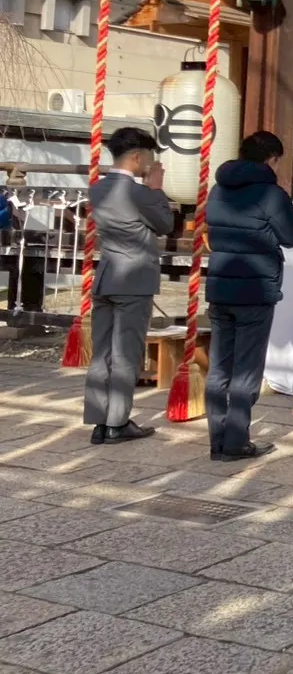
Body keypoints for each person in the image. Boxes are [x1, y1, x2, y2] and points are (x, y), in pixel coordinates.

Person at [204, 131, 293, 461]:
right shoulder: (270, 194)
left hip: (220, 286)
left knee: (219, 368)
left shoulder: (218, 189)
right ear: (272, 159)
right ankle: (236, 441)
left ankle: (217, 439)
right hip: (255, 288)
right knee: (246, 370)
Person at [85, 127, 175, 444]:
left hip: (107, 275)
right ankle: (117, 423)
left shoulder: (97, 189)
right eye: (148, 159)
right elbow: (165, 224)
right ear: (136, 157)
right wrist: (156, 188)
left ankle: (99, 421)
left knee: (103, 354)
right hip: (134, 279)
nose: (149, 165)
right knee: (126, 355)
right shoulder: (138, 192)